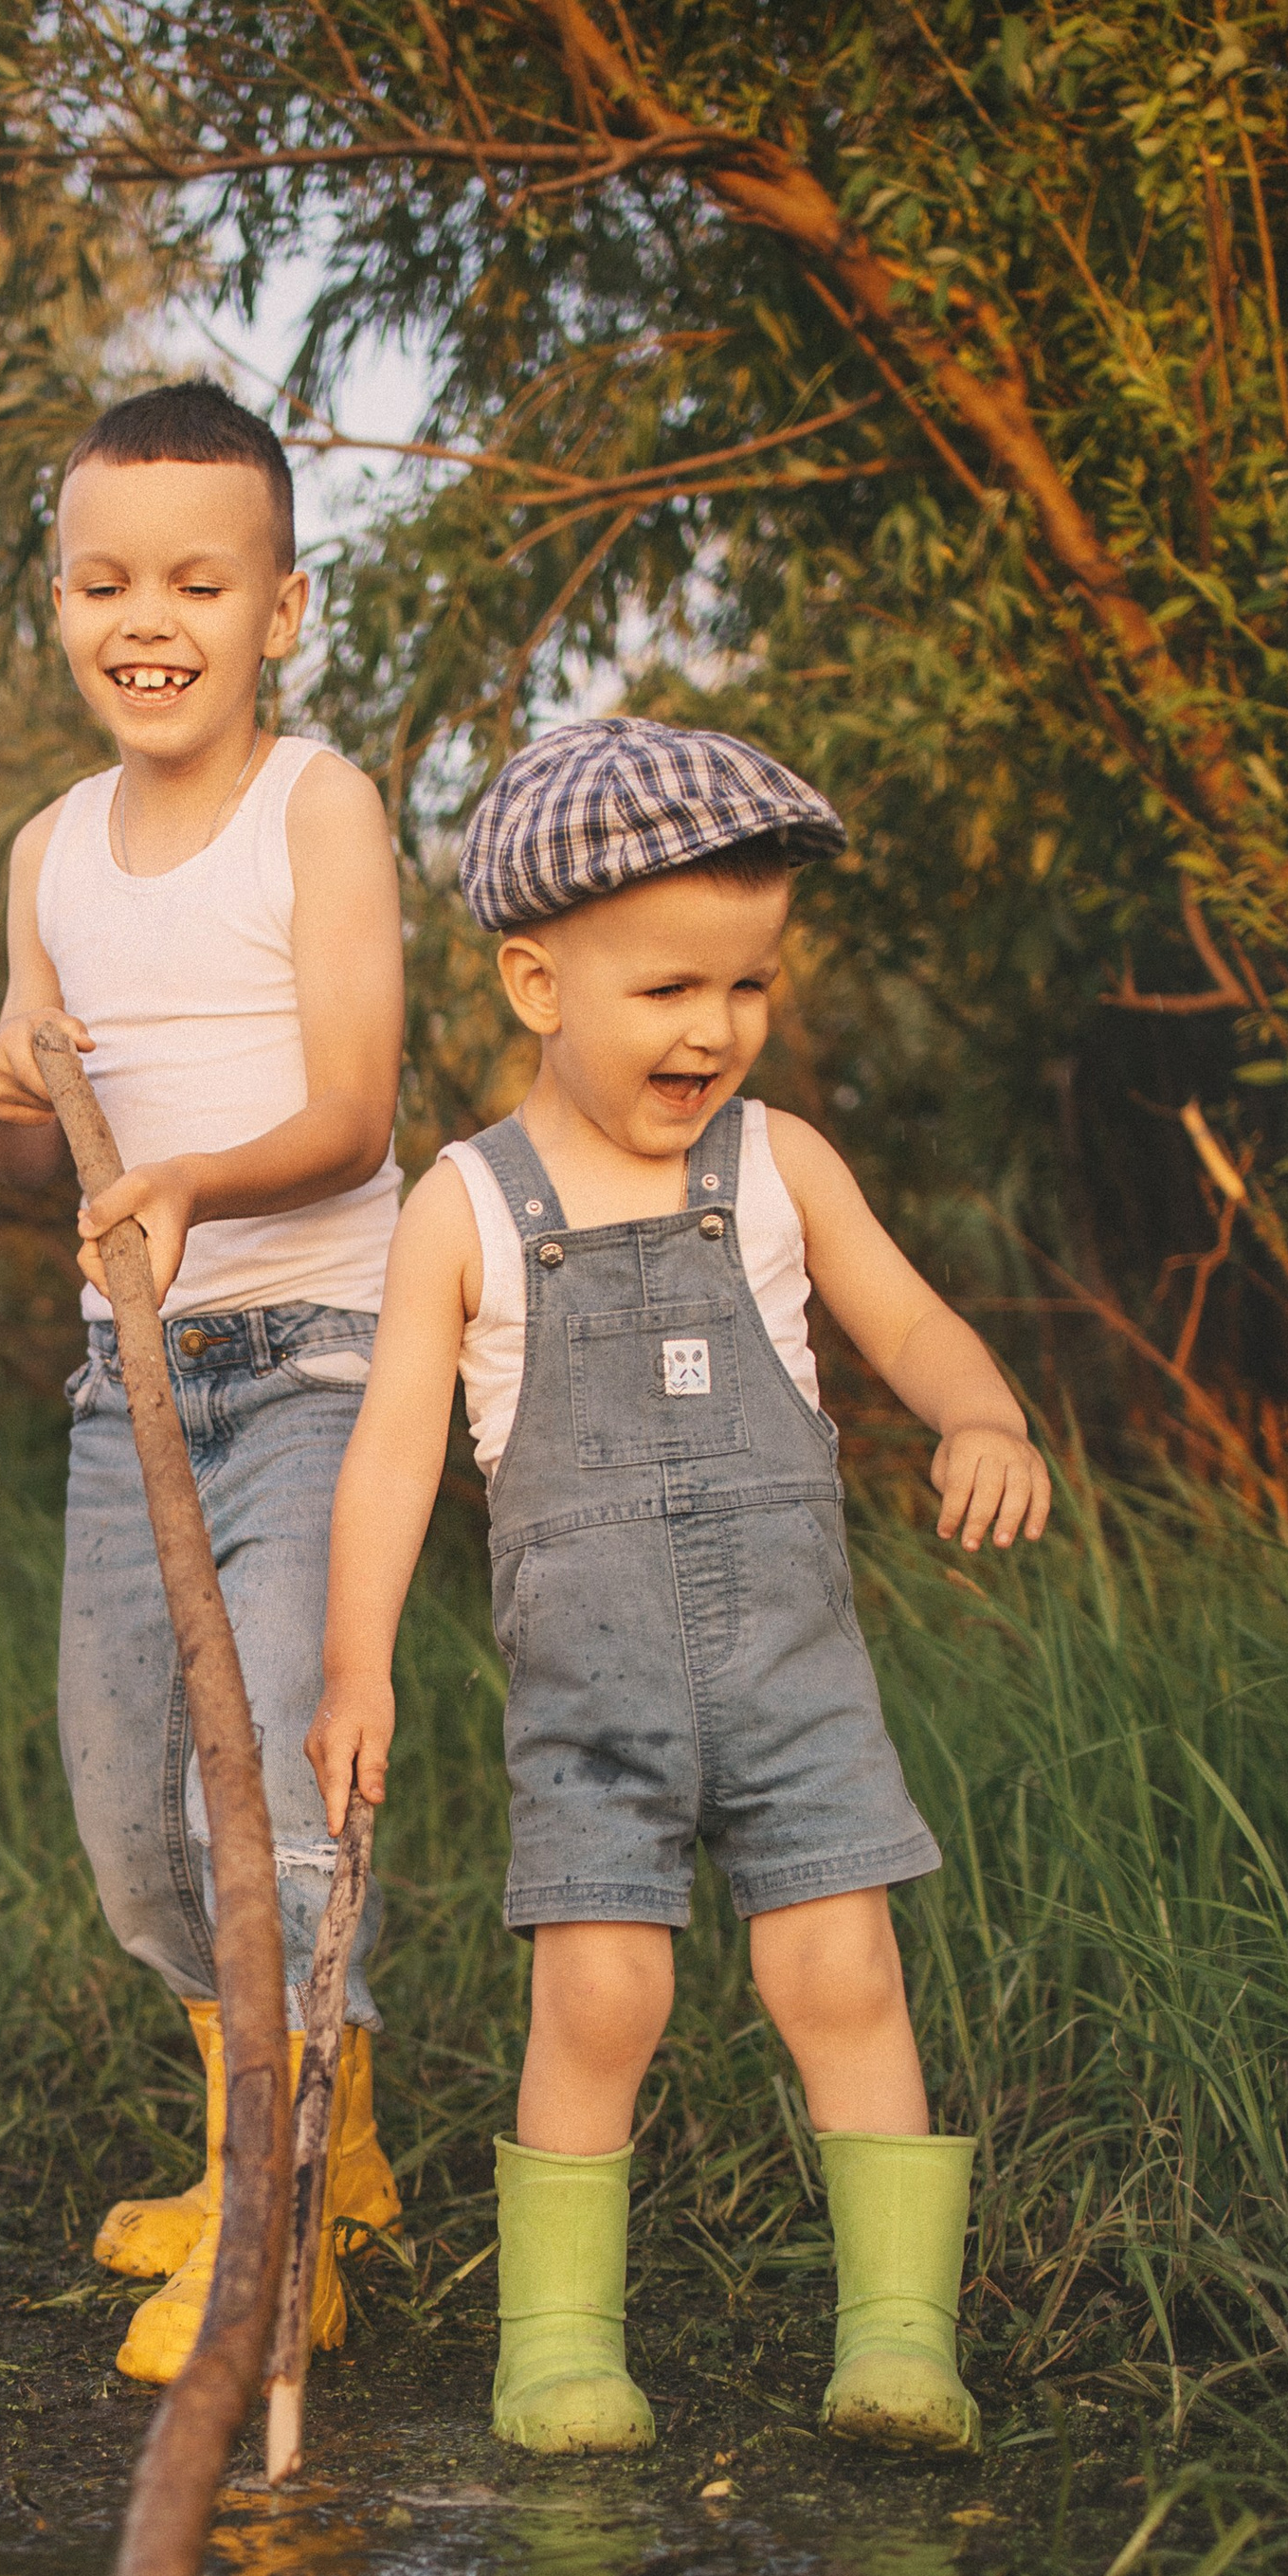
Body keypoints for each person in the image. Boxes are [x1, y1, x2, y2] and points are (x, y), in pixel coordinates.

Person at [307, 718, 1049, 2458]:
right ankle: (558, 2348)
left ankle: (899, 2340)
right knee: (601, 1996)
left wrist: (983, 1413)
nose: (714, 1029)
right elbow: (394, 1458)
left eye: (748, 986)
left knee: (843, 1978)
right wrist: (358, 1667)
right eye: (667, 989)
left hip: (797, 1687)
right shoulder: (467, 1210)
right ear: (536, 982)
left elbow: (909, 1315)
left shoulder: (779, 1168)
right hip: (594, 1705)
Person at [0, 378, 407, 2385]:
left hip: (317, 1364)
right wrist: (5, 1091)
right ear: (59, 600)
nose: (148, 619)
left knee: (279, 1802)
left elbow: (355, 1110)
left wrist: (190, 1184)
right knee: (132, 1812)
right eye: (104, 581)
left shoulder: (314, 805)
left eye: (199, 583)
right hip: (124, 1384)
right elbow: (21, 1158)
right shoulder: (47, 853)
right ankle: (312, 2130)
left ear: (281, 610)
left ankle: (277, 2220)